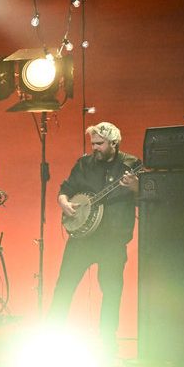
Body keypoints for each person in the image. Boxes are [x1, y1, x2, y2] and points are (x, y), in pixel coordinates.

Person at [49, 121, 140, 354]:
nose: (95, 148)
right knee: (64, 286)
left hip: (112, 240)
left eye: (100, 144)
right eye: (93, 144)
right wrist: (64, 202)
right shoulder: (84, 164)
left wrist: (135, 188)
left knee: (111, 291)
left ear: (114, 143)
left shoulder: (131, 165)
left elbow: (147, 197)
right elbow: (65, 189)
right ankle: (52, 337)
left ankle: (108, 343)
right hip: (82, 239)